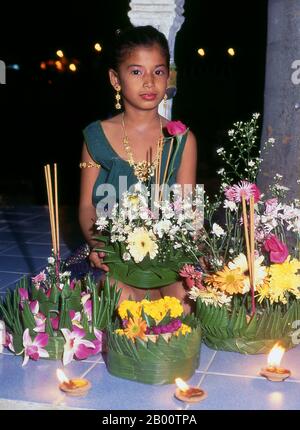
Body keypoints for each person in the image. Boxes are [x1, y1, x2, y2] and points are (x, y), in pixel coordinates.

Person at [78, 25, 197, 311]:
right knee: (118, 301)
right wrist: (98, 246)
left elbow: (188, 210)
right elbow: (86, 207)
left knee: (186, 302)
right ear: (115, 79)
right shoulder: (96, 136)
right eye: (136, 72)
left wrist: (193, 252)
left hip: (166, 261)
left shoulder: (182, 139)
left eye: (157, 71)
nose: (148, 82)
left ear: (168, 76)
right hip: (114, 259)